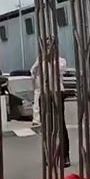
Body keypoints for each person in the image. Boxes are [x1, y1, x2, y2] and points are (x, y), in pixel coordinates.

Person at [30, 37, 70, 167]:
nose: (47, 48)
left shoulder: (61, 61)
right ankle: (48, 154)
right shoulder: (39, 61)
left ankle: (64, 156)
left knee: (60, 124)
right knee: (47, 125)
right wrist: (40, 62)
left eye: (49, 45)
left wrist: (49, 62)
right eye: (45, 46)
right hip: (44, 93)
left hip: (57, 92)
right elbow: (33, 74)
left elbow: (57, 71)